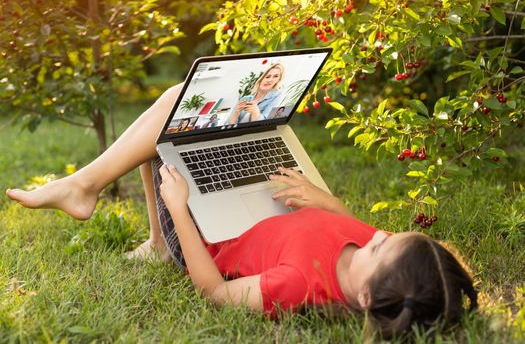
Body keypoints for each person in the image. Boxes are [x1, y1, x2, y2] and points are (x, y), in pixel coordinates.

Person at [5, 84, 477, 339]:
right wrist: (326, 202)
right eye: (389, 236)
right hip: (260, 209)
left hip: (208, 231)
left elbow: (214, 292)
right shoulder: (367, 251)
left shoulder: (297, 287)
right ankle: (106, 205)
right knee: (197, 121)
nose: (377, 235)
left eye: (381, 248)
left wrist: (181, 211)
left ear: (369, 299)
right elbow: (348, 225)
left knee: (171, 116)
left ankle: (101, 201)